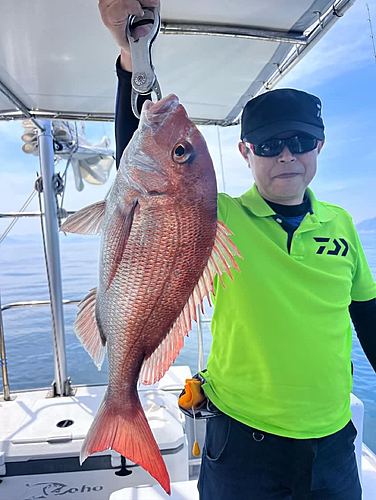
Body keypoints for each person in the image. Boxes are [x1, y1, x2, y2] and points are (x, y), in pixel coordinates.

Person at [99, 1, 376, 499]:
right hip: (242, 442)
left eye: (300, 140)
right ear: (246, 152)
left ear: (320, 145)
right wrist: (129, 58)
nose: (287, 155)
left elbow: (370, 319)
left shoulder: (342, 225)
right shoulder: (215, 216)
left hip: (333, 442)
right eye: (269, 145)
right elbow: (138, 172)